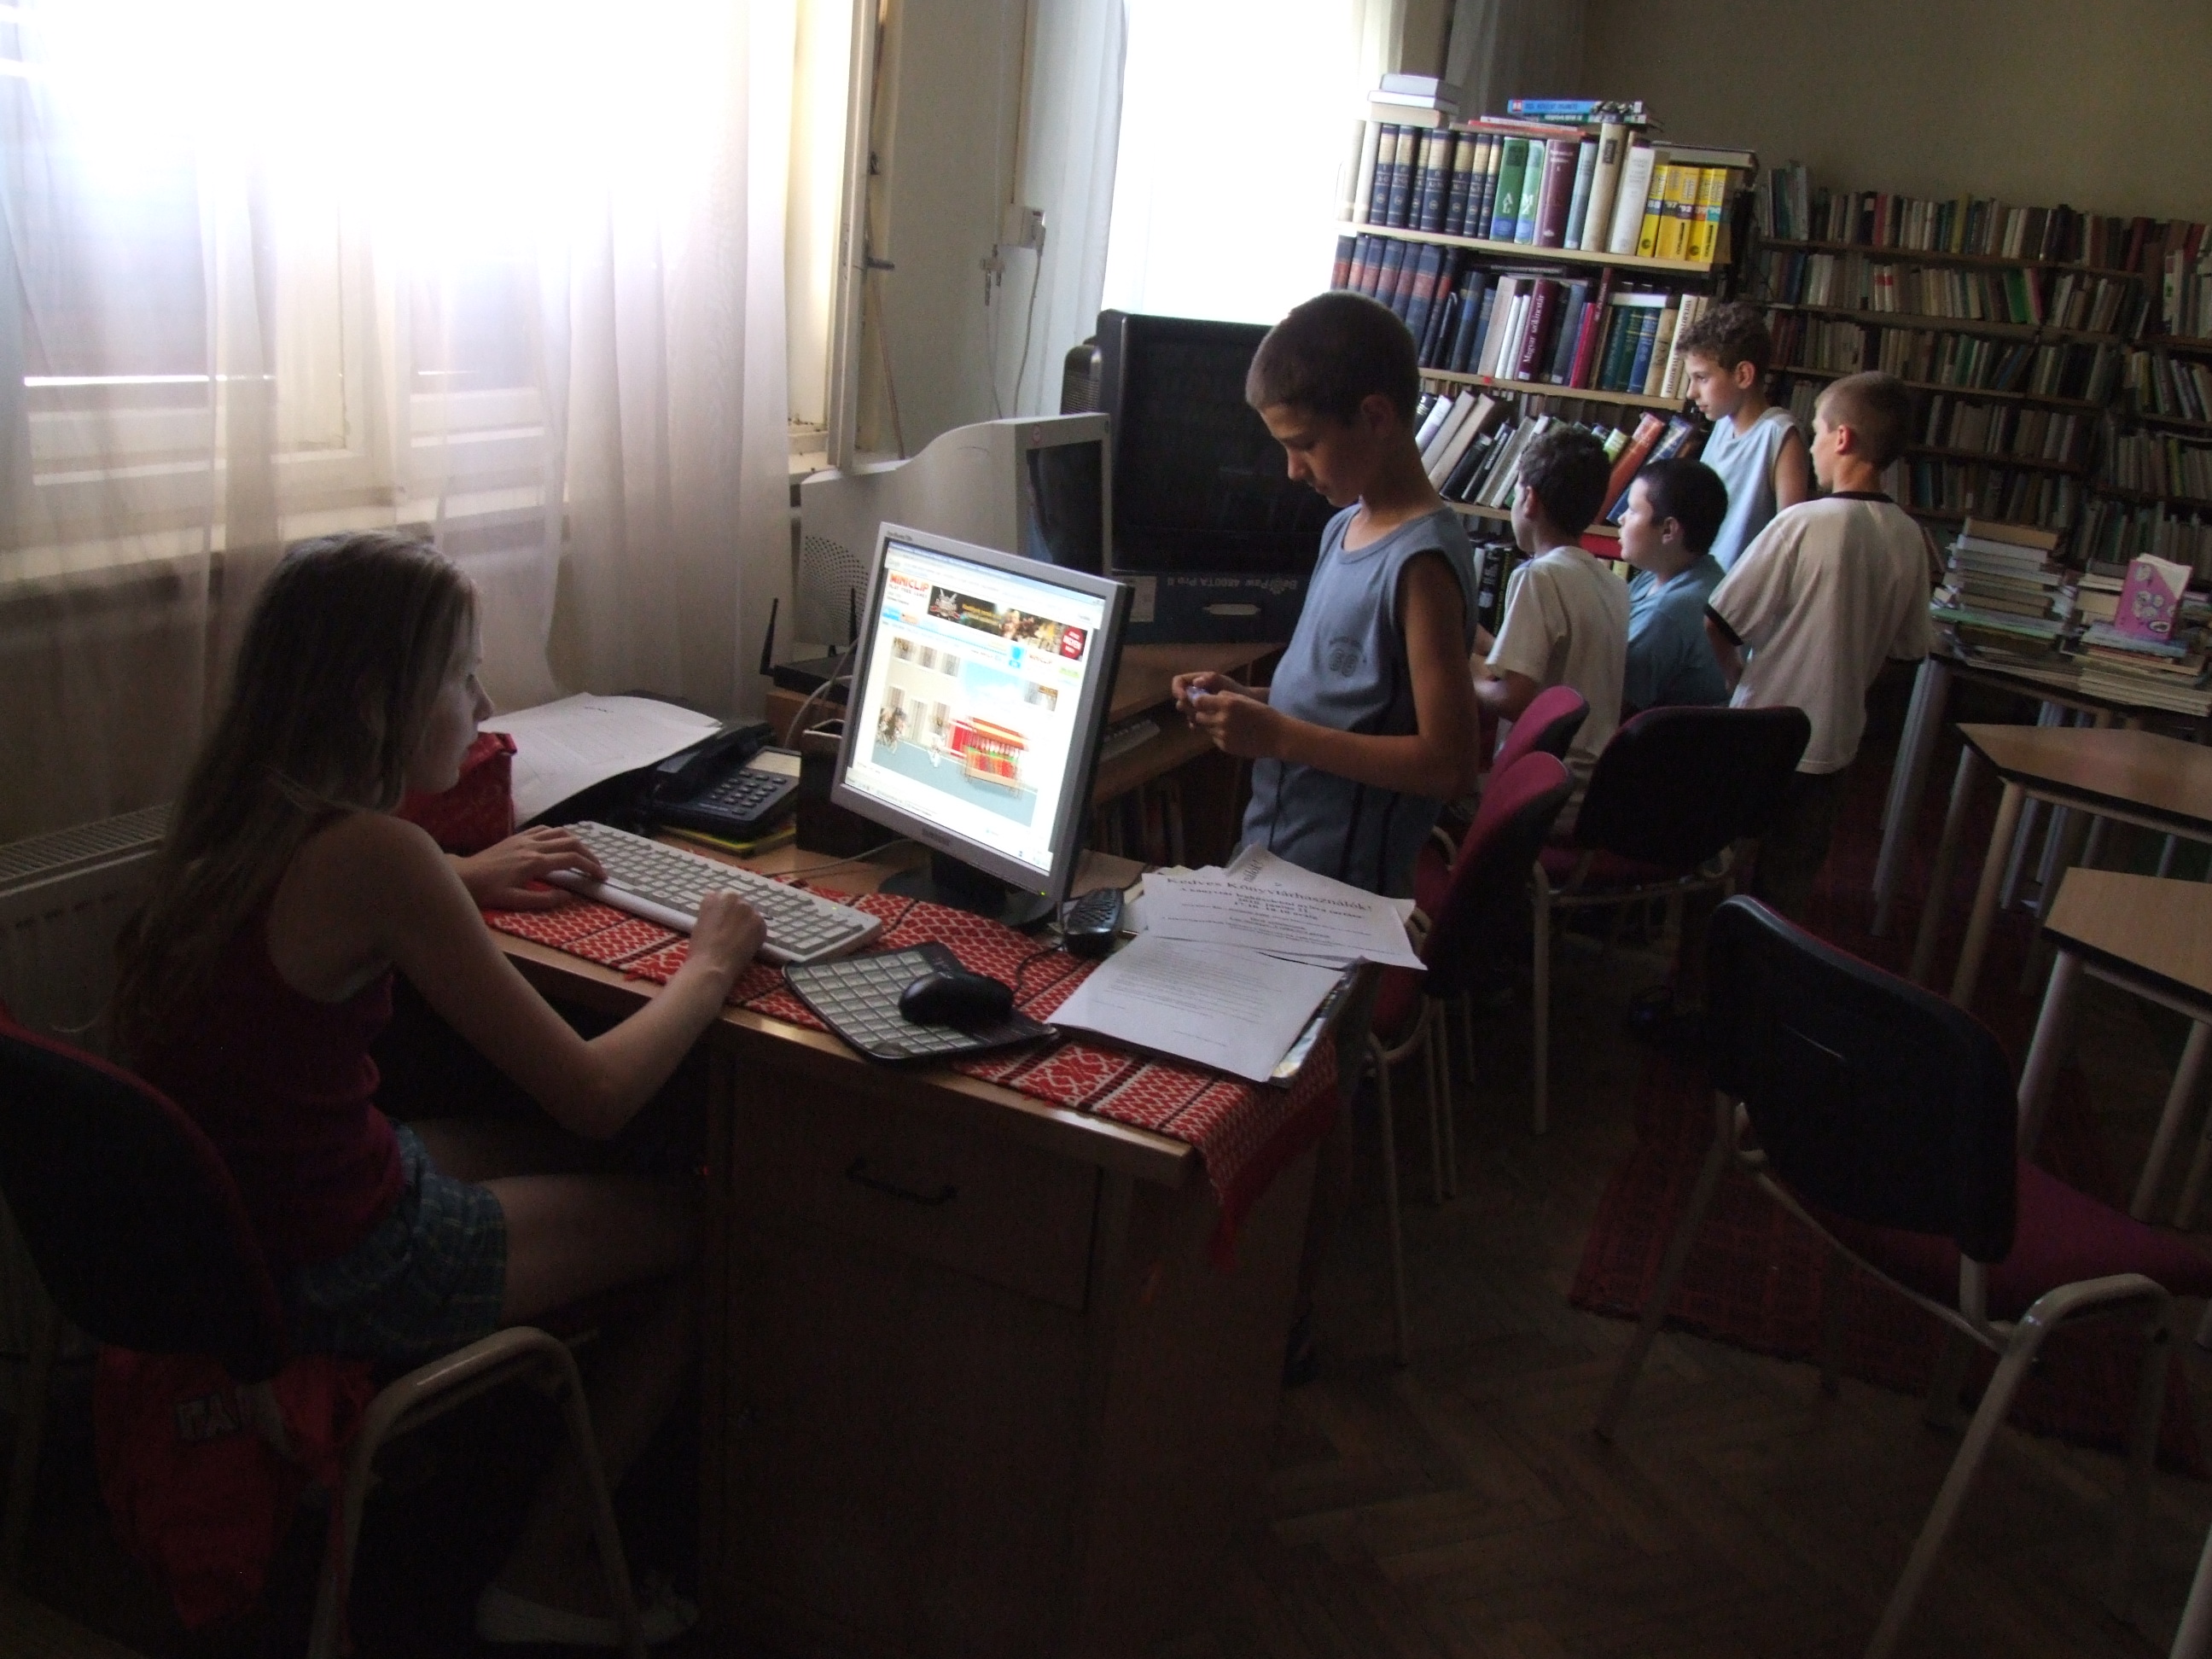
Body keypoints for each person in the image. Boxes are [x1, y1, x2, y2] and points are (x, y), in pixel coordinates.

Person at [113, 531, 764, 1648]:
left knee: (551, 1152)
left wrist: (457, 876)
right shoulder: (380, 858)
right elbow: (595, 1093)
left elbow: (331, 910)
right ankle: (546, 1572)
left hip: (251, 1235)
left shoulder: (234, 821)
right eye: (461, 675)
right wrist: (712, 964)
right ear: (379, 704)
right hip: (347, 1260)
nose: (485, 703)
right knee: (706, 1222)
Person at [1172, 290, 1481, 900]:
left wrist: (1279, 737)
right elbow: (1353, 707)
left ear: (1376, 417)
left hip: (1343, 896)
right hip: (1270, 863)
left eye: (1305, 444)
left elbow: (1449, 765)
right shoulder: (1342, 528)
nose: (1292, 470)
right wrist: (1248, 703)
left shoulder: (1420, 565)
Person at [1704, 371, 1935, 917]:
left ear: (1843, 438)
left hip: (1763, 730)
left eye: (1816, 433)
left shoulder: (1803, 523)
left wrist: (1737, 679)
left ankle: (1705, 961)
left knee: (1719, 866)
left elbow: (1719, 621)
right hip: (1837, 739)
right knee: (1789, 880)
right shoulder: (1910, 536)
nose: (1810, 448)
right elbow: (1906, 651)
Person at [1472, 425, 1628, 828]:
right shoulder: (1612, 584)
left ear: (1529, 499)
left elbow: (1515, 700)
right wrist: (1473, 638)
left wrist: (1463, 674)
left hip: (1537, 789)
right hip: (1589, 788)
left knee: (1434, 783)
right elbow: (1547, 665)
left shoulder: (1537, 577)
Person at [1676, 301, 1811, 572]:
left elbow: (1791, 538)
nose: (1691, 392)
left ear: (1743, 375)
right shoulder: (1722, 425)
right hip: (1704, 579)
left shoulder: (1780, 435)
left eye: (1702, 378)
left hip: (1745, 586)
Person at [1617, 457, 1731, 714]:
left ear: (1668, 529)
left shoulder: (1668, 613)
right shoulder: (1695, 572)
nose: (1621, 519)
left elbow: (1612, 706)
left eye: (1633, 510)